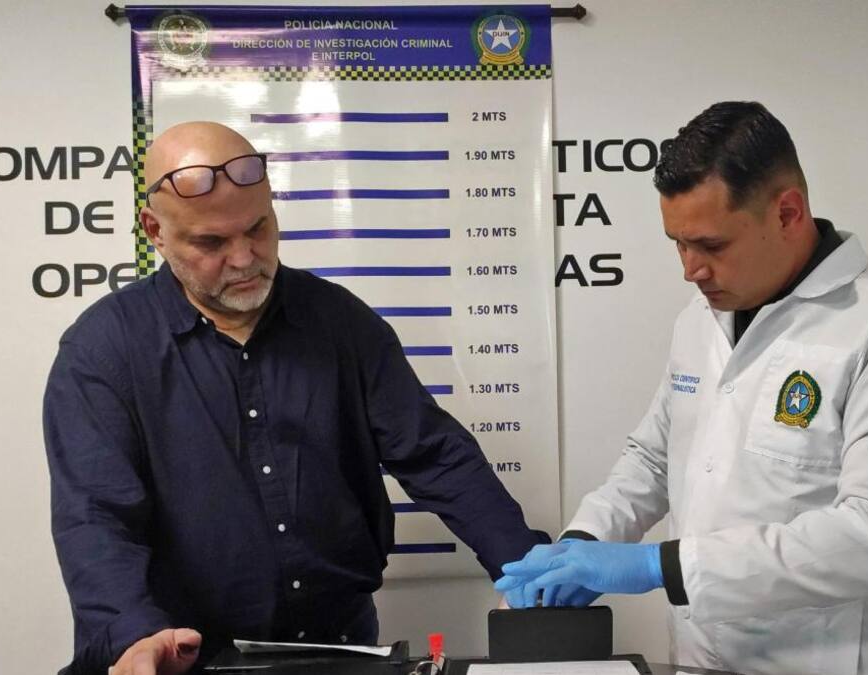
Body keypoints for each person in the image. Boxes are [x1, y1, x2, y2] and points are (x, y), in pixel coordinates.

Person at [43, 121, 547, 675]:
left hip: (341, 649)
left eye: (258, 228)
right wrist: (134, 636)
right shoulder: (104, 351)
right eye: (211, 243)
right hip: (186, 658)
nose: (244, 258)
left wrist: (528, 569)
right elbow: (96, 517)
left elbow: (433, 454)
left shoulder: (341, 323)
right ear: (155, 231)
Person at [495, 102, 868, 675]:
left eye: (711, 245)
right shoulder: (700, 320)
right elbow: (654, 457)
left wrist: (656, 566)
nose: (690, 269)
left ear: (788, 213)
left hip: (823, 660)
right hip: (701, 655)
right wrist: (584, 542)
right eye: (678, 243)